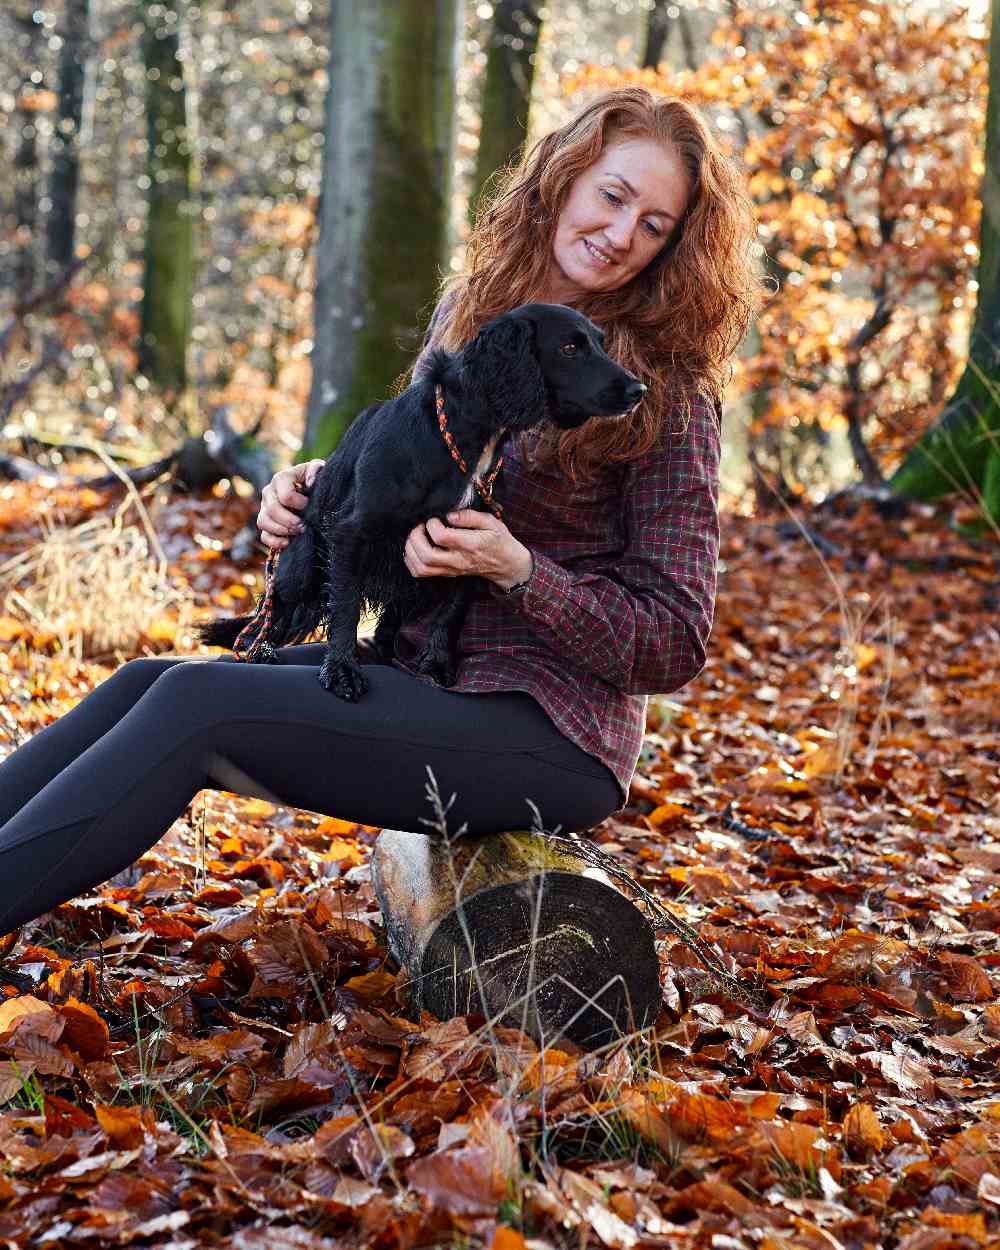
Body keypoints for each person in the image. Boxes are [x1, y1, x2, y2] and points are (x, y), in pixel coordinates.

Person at [0, 87, 760, 937]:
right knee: (154, 681)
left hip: (549, 733)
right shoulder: (473, 314)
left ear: (675, 245)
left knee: (198, 710)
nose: (623, 234)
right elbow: (408, 473)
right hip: (421, 670)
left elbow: (676, 639)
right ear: (564, 177)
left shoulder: (667, 392)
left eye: (655, 224)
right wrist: (323, 493)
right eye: (614, 197)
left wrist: (518, 570)